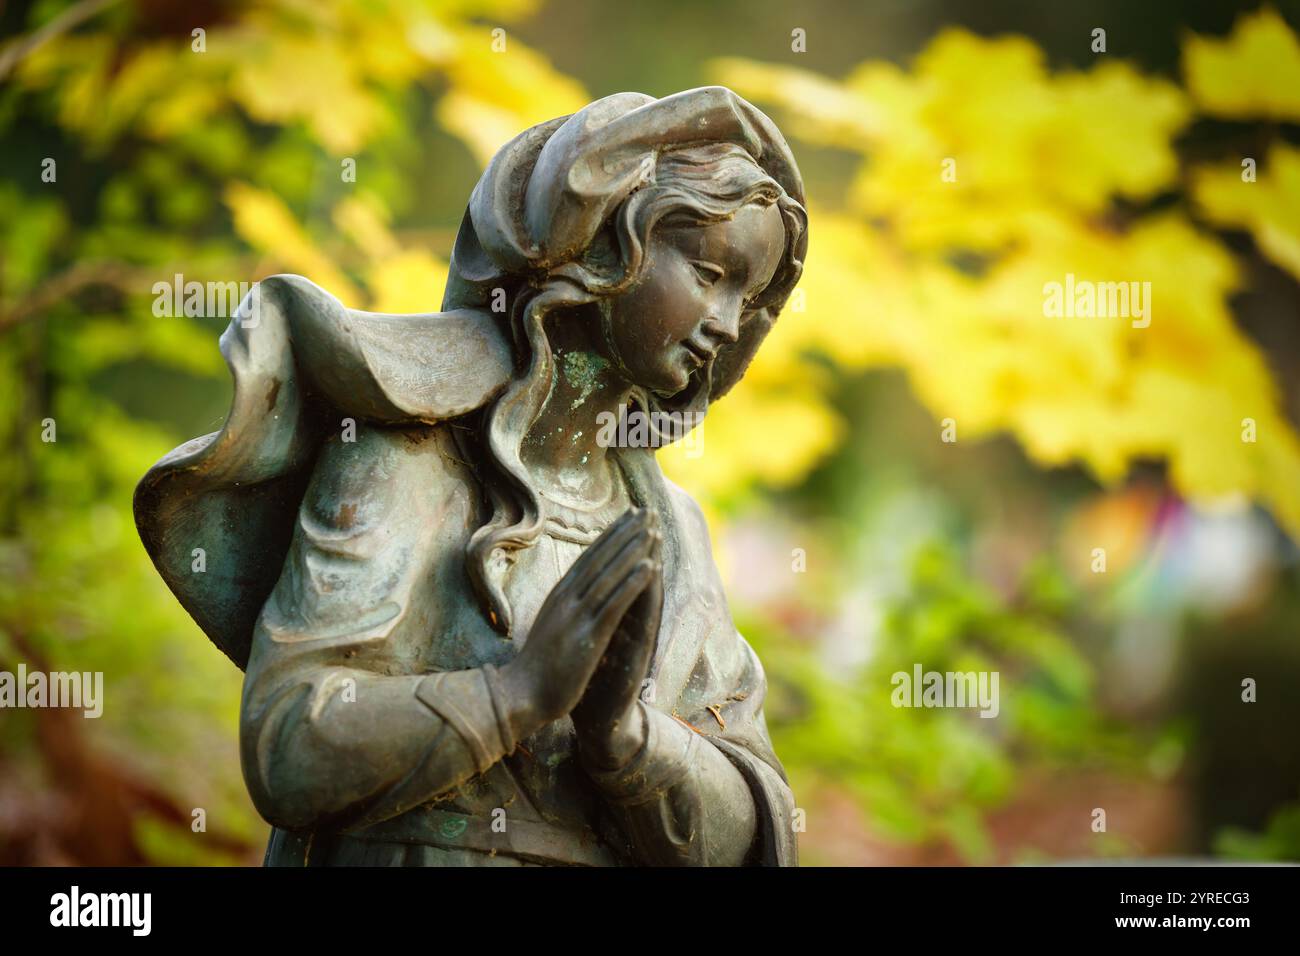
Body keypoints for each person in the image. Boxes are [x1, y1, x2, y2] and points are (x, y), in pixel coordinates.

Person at [135, 87, 808, 866]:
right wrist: (515, 695)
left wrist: (626, 739)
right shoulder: (406, 461)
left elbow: (761, 830)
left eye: (747, 296)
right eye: (708, 271)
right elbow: (288, 744)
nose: (726, 322)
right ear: (600, 247)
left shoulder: (673, 535)